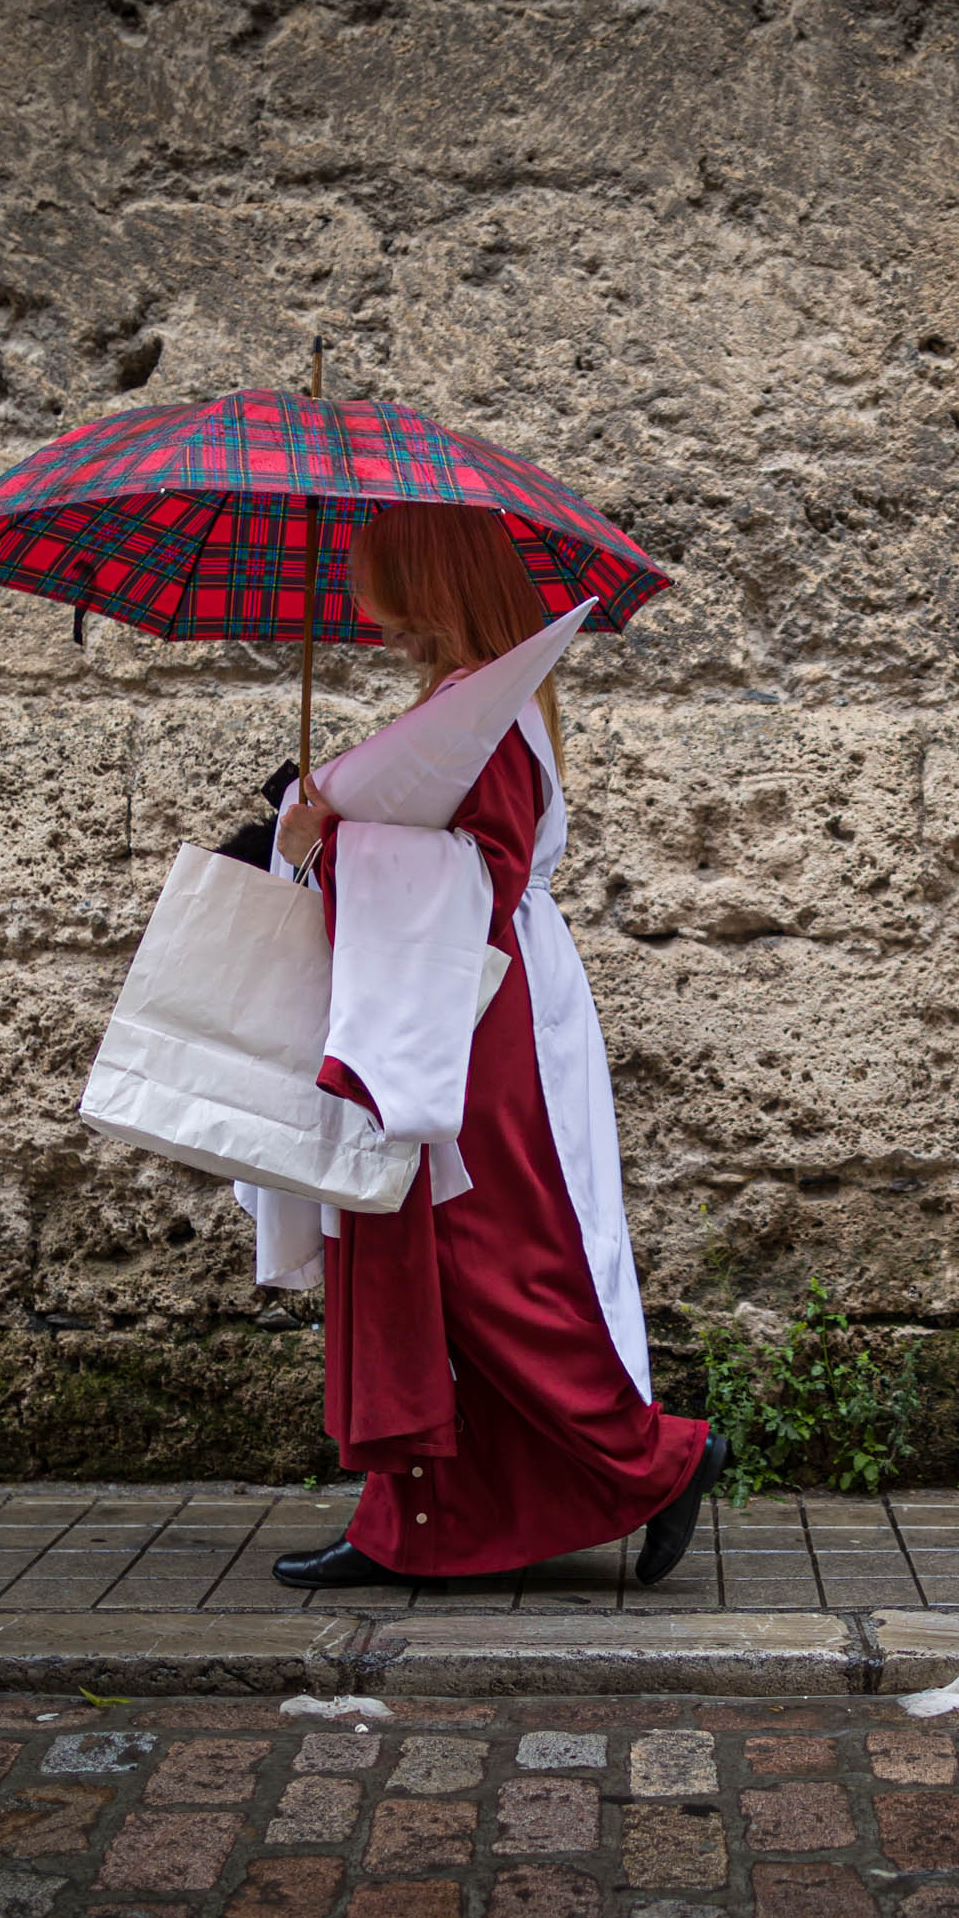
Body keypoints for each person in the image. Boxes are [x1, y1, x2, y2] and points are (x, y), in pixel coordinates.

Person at [257, 503, 724, 1590]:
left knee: (484, 1259)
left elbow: (485, 875)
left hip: (477, 1015)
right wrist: (323, 835)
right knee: (417, 1248)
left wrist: (326, 843)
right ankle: (415, 1527)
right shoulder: (461, 709)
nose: (364, 607)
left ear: (431, 580)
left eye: (379, 579)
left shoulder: (490, 719)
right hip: (435, 1008)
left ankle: (659, 1456)